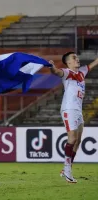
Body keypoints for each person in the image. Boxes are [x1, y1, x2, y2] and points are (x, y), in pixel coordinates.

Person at [50, 52, 98, 183]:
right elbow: (57, 72)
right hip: (69, 108)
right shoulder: (66, 72)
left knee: (78, 140)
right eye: (74, 58)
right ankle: (67, 170)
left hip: (78, 110)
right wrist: (51, 68)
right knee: (72, 138)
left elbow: (93, 64)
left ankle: (67, 168)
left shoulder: (82, 72)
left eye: (77, 57)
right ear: (68, 62)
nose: (77, 59)